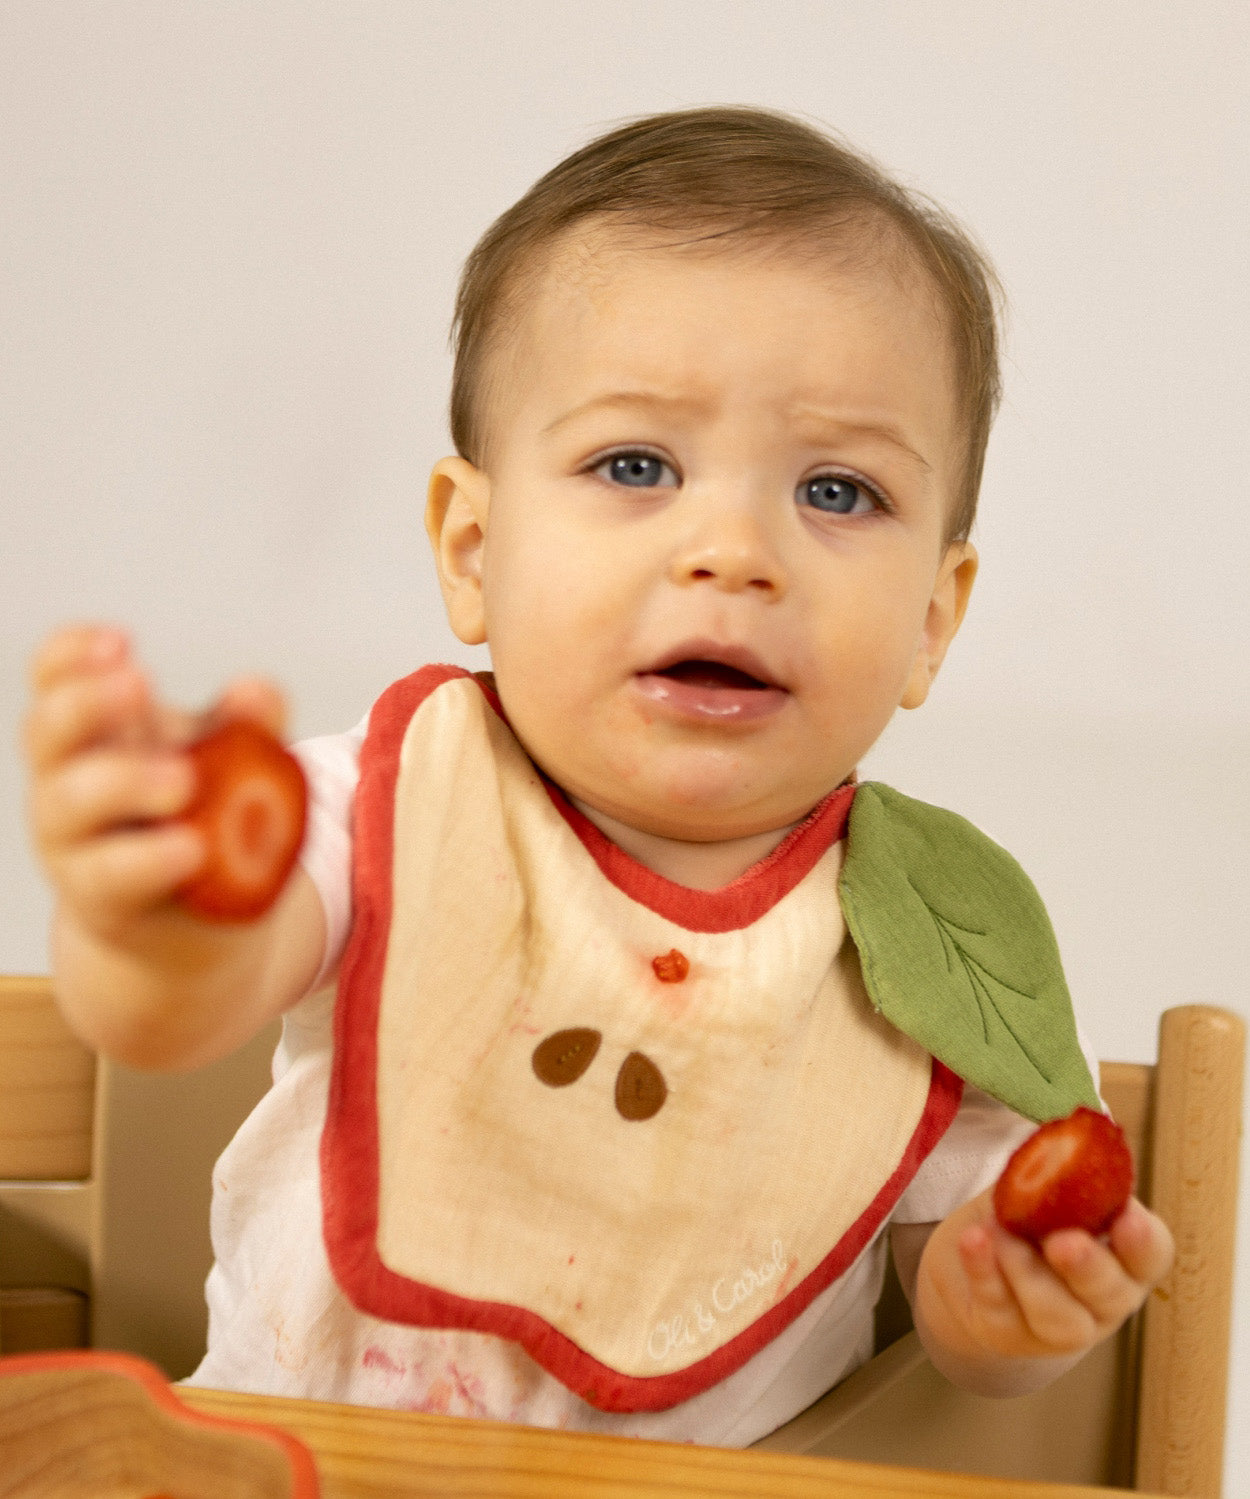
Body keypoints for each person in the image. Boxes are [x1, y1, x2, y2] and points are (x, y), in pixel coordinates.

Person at [23, 106, 1173, 1445]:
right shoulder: (398, 798)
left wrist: (1005, 1311)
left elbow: (959, 1319)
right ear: (471, 546)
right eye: (637, 465)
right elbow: (168, 1008)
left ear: (931, 617)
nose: (732, 548)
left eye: (838, 493)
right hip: (299, 1469)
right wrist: (147, 915)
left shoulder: (930, 943)